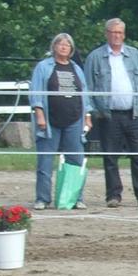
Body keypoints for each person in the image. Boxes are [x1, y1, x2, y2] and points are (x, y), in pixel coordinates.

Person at [85, 18, 138, 208]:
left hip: (135, 114)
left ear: (124, 35)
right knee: (110, 156)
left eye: (119, 32)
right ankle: (113, 195)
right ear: (106, 34)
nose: (116, 36)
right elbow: (88, 87)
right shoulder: (95, 57)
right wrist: (95, 110)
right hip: (108, 116)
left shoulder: (135, 55)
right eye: (112, 32)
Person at [29, 33, 92, 210]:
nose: (64, 47)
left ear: (71, 49)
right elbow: (36, 92)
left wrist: (87, 116)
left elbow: (84, 94)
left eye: (67, 45)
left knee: (76, 159)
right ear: (54, 46)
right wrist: (39, 114)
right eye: (60, 44)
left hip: (75, 120)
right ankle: (43, 198)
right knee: (46, 161)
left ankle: (75, 197)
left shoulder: (76, 69)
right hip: (50, 121)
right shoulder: (43, 67)